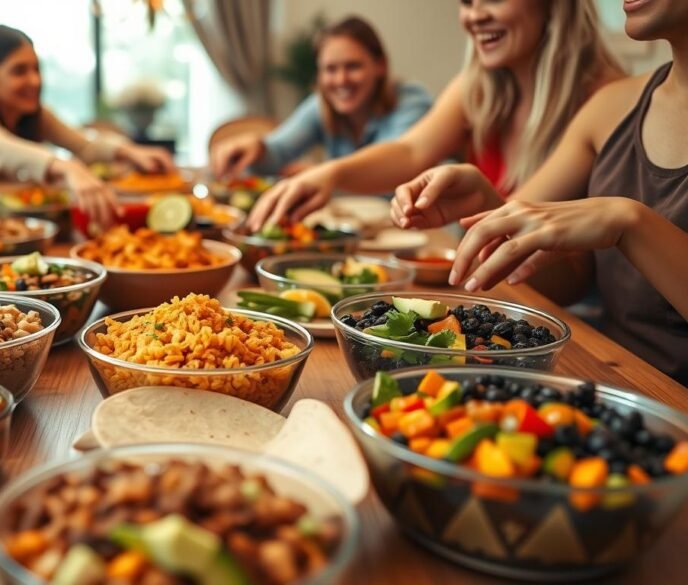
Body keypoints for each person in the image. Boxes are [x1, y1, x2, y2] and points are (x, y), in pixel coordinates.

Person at [391, 0, 688, 384]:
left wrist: (629, 223)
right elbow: (562, 281)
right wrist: (488, 204)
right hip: (608, 381)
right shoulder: (610, 108)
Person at [246, 0, 623, 232]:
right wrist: (328, 174)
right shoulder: (475, 86)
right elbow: (411, 152)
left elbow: (542, 247)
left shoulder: (606, 99)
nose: (474, 15)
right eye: (466, 1)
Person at [0, 25, 176, 228]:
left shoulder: (34, 114)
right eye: (19, 71)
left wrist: (130, 151)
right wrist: (67, 167)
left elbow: (83, 144)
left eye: (36, 69)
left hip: (23, 228)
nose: (35, 81)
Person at [210, 15, 432, 179]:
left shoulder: (412, 101)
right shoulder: (321, 105)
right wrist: (257, 149)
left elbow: (394, 172)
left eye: (353, 66)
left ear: (380, 66)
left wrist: (324, 175)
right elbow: (279, 151)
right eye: (330, 69)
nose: (341, 80)